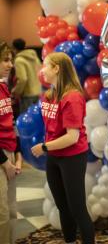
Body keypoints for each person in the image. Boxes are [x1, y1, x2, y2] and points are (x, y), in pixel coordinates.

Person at [31, 52, 95, 244]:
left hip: (72, 157)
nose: (42, 69)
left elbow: (72, 137)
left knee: (77, 208)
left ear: (57, 68)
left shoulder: (73, 97)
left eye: (46, 65)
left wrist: (44, 146)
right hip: (54, 156)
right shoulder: (49, 95)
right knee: (63, 207)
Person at [0, 41, 18, 244]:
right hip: (1, 157)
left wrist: (18, 156)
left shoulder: (4, 87)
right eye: (5, 60)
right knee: (2, 214)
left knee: (12, 210)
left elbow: (10, 123)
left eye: (10, 60)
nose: (10, 64)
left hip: (9, 153)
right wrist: (4, 162)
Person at [11, 38, 42, 114]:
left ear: (14, 48)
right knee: (36, 118)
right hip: (39, 92)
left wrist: (15, 91)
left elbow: (23, 79)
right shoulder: (34, 57)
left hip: (28, 95)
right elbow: (40, 72)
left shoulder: (19, 60)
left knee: (26, 119)